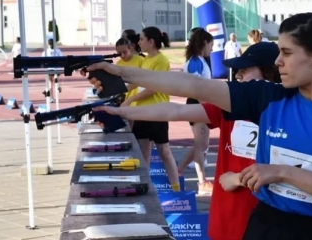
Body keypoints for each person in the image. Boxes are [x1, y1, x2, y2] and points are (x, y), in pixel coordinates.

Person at [86, 13, 312, 239]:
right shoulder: (267, 97)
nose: (278, 61)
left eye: (287, 53)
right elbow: (192, 84)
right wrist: (119, 72)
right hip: (264, 226)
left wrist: (281, 171)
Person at [94, 42, 281, 240]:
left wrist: (237, 179)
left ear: (269, 73)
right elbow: (176, 110)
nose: (237, 76)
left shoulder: (284, 113)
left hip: (263, 223)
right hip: (224, 220)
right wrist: (122, 111)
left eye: (244, 70)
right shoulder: (230, 107)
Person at [118, 26, 181, 192]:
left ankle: (176, 189)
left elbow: (153, 88)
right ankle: (144, 188)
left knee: (164, 151)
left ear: (151, 42)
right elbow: (138, 82)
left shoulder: (161, 60)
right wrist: (117, 90)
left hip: (158, 112)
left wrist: (130, 99)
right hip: (142, 113)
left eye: (142, 39)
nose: (139, 43)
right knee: (143, 152)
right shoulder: (145, 60)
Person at [179, 28, 214, 194]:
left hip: (200, 105)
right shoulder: (195, 62)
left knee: (200, 144)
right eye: (211, 45)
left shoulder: (199, 60)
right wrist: (208, 108)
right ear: (205, 43)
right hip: (198, 105)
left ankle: (179, 170)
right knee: (202, 145)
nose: (212, 49)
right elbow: (196, 88)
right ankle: (202, 183)